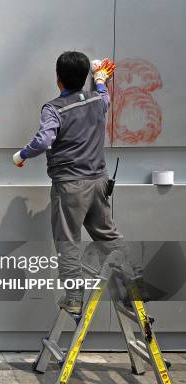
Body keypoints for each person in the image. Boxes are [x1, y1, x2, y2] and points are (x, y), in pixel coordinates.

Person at [11, 51, 125, 314]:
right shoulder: (98, 101)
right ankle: (132, 283)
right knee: (108, 235)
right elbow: (104, 97)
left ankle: (74, 297)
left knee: (68, 241)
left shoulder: (54, 109)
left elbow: (43, 141)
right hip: (98, 182)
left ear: (58, 79)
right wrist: (100, 80)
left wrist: (22, 155)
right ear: (84, 75)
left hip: (70, 186)